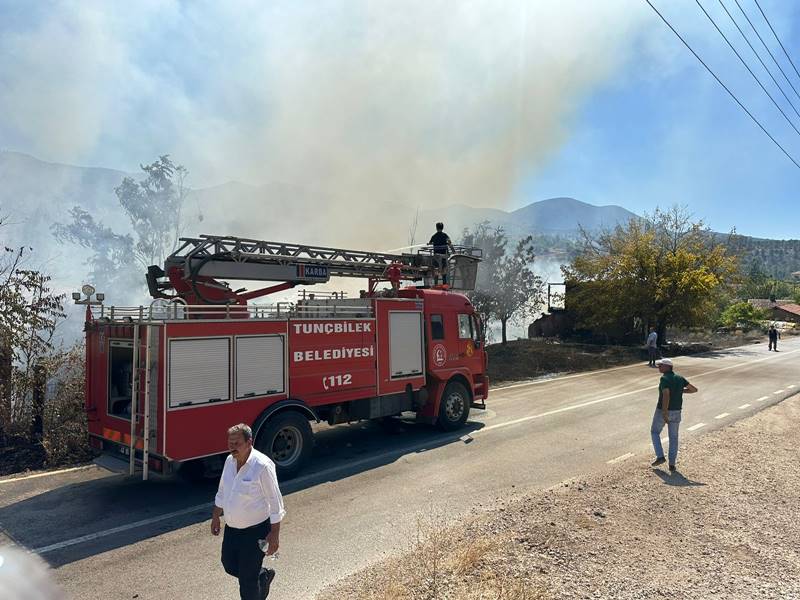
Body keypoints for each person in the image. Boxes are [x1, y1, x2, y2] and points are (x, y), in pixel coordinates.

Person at [212, 424, 285, 600]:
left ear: (249, 442)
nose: (232, 447)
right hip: (232, 529)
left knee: (247, 582)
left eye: (237, 443)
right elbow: (223, 491)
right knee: (229, 565)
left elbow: (275, 503)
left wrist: (274, 534)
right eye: (230, 443)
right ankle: (262, 575)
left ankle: (254, 579)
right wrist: (215, 516)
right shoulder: (230, 461)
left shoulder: (262, 465)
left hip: (256, 531)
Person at [650, 358, 697, 472]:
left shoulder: (664, 378)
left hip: (663, 410)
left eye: (661, 365)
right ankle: (672, 464)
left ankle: (660, 456)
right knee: (674, 438)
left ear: (667, 367)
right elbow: (694, 389)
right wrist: (680, 391)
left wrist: (665, 413)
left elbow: (666, 395)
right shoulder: (680, 378)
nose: (659, 367)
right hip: (677, 411)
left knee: (655, 432)